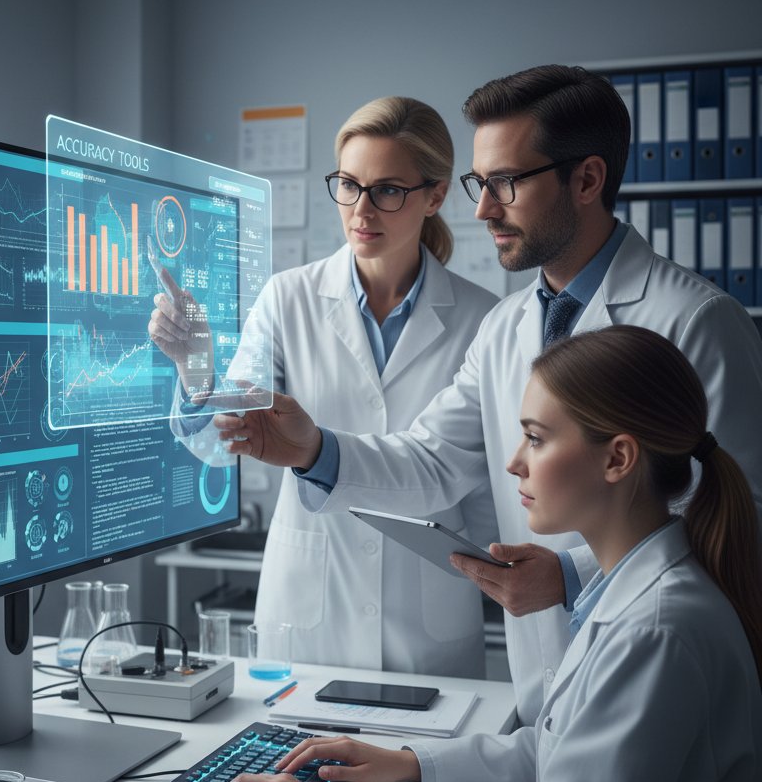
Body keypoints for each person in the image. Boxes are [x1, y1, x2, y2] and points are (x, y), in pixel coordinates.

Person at [211, 65, 762, 724]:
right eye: (479, 182)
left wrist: (570, 577)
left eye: (505, 182)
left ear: (586, 179)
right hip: (541, 692)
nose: (480, 209)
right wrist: (316, 450)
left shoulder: (695, 320)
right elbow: (431, 462)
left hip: (665, 680)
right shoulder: (506, 330)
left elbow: (739, 516)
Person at [214, 325, 762, 782]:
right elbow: (565, 753)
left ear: (617, 459)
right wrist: (414, 763)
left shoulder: (660, 631)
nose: (513, 463)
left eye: (535, 437)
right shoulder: (639, 590)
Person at [149, 97, 498, 676]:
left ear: (435, 197)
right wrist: (197, 372)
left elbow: (485, 497)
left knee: (425, 764)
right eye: (348, 185)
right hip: (309, 617)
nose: (361, 209)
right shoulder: (289, 299)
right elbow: (224, 443)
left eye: (387, 190)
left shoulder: (483, 318)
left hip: (427, 625)